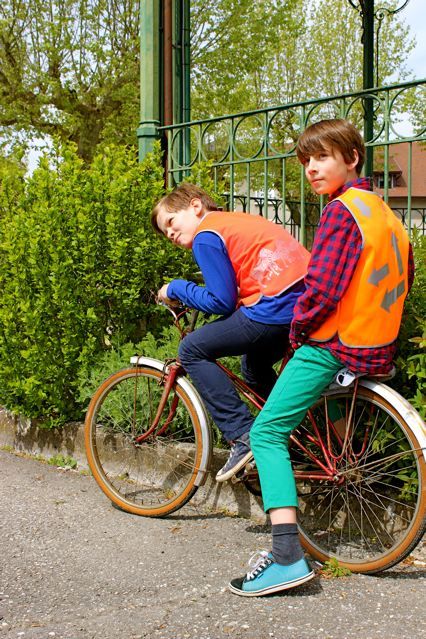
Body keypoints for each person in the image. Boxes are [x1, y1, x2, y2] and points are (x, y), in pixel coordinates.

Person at [229, 118, 415, 597]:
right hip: (375, 346)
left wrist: (297, 331)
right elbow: (403, 279)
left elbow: (322, 290)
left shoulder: (340, 212)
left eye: (322, 157)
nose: (311, 168)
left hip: (333, 344)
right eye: (305, 160)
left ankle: (287, 556)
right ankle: (348, 481)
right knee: (328, 423)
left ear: (351, 158)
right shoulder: (385, 215)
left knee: (267, 432)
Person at [152, 183, 310, 481]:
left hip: (273, 309)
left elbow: (220, 301)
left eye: (171, 222)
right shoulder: (236, 221)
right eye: (165, 233)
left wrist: (177, 288)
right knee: (254, 366)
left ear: (196, 206)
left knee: (191, 349)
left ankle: (242, 435)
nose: (170, 234)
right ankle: (291, 438)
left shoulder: (206, 236)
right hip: (301, 305)